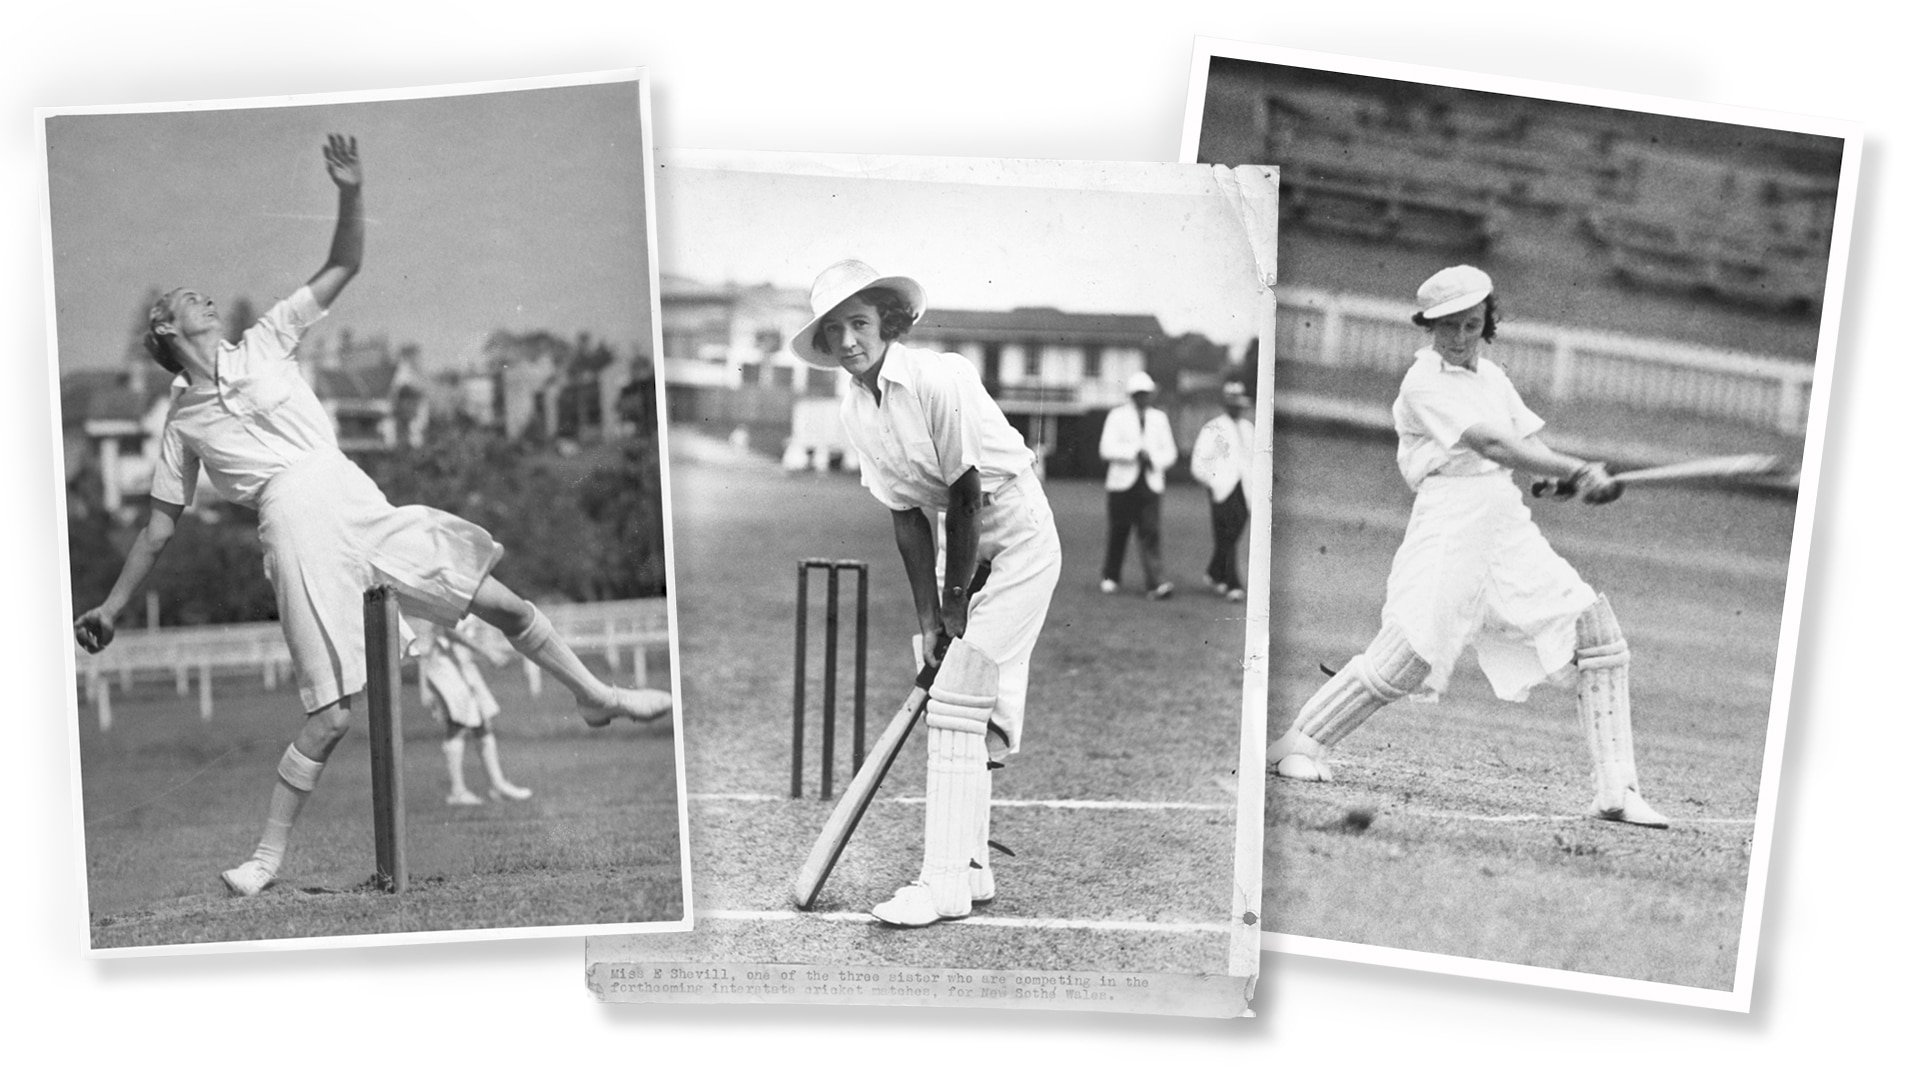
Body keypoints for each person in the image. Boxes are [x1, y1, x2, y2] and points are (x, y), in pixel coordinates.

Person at [72, 136, 673, 898]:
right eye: (192, 299)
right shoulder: (179, 425)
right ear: (164, 327)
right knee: (331, 716)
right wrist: (114, 608)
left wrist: (350, 192)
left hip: (354, 496)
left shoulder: (267, 340)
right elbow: (159, 527)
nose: (209, 300)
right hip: (291, 532)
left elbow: (344, 265)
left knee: (502, 602)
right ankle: (265, 859)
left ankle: (597, 696)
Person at [1264, 265, 1669, 828]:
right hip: (1450, 520)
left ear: (1488, 323)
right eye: (1446, 326)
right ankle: (1297, 745)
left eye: (1471, 325)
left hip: (1504, 521)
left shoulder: (1493, 377)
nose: (1458, 339)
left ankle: (1617, 792)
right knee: (1408, 657)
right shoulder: (1422, 382)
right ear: (1428, 326)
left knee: (1596, 635)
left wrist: (1563, 479)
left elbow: (1523, 444)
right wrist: (1578, 466)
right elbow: (1490, 441)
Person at [789, 259, 1062, 927]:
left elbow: (967, 495)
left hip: (1016, 529)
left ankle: (940, 885)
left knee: (957, 697)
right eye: (835, 330)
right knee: (962, 694)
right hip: (955, 537)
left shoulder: (939, 379)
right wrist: (926, 621)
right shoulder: (855, 407)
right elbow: (906, 514)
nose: (849, 339)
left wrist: (955, 607)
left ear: (885, 321)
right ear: (824, 343)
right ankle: (971, 869)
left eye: (859, 323)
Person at [418, 617, 531, 805]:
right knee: (457, 725)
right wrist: (486, 652)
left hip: (463, 665)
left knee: (483, 723)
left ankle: (498, 785)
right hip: (445, 667)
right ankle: (457, 791)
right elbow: (448, 630)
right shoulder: (451, 594)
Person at [1098, 370, 1178, 598]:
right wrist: (1134, 452)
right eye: (1138, 394)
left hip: (1150, 483)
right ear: (1132, 395)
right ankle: (1110, 576)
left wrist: (1153, 459)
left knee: (1151, 532)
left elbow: (1170, 451)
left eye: (1146, 394)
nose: (1143, 398)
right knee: (1119, 531)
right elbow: (1106, 448)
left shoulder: (1159, 418)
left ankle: (1155, 583)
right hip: (1122, 484)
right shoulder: (1117, 416)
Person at [1189, 379, 1256, 602]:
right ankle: (1233, 583)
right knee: (1226, 534)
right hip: (1222, 488)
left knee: (1232, 534)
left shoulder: (1248, 429)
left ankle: (1214, 572)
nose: (1236, 407)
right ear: (1225, 404)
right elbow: (1199, 462)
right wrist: (1213, 482)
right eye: (1232, 403)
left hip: (1244, 490)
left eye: (1239, 403)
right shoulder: (1213, 427)